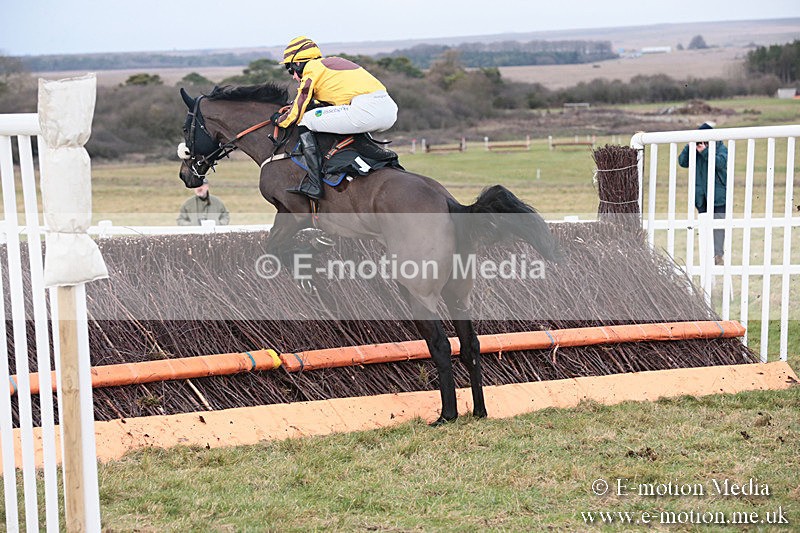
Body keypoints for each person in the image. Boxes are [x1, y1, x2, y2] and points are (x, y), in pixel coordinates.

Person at [274, 36, 398, 200]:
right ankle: (380, 155)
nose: (294, 77)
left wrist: (279, 120)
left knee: (306, 120)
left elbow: (299, 106)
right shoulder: (332, 64)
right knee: (342, 121)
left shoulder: (312, 68)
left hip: (365, 110)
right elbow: (327, 103)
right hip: (388, 109)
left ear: (298, 63)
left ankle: (314, 183)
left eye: (291, 70)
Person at [678, 122, 728, 265]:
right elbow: (682, 162)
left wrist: (705, 151)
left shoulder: (720, 147)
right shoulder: (694, 148)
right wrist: (690, 147)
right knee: (704, 227)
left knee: (718, 226)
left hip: (718, 195)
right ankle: (707, 256)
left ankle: (718, 255)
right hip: (701, 196)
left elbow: (721, 163)